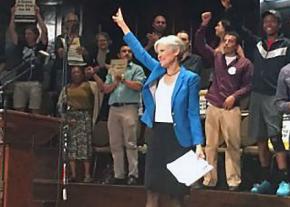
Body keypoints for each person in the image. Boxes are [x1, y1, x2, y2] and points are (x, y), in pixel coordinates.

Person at [113, 8, 204, 207]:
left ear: (176, 52)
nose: (159, 55)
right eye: (158, 52)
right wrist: (122, 25)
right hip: (157, 134)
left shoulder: (190, 79)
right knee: (152, 189)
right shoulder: (157, 71)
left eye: (163, 51)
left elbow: (193, 113)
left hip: (179, 138)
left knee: (175, 194)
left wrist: (198, 144)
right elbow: (138, 51)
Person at [222, 0, 290, 195]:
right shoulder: (258, 43)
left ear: (279, 24)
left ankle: (284, 180)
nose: (268, 24)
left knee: (275, 138)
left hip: (275, 97)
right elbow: (238, 29)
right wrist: (229, 9)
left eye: (272, 21)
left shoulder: (286, 45)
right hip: (257, 95)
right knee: (260, 138)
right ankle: (266, 180)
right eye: (265, 21)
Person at [195, 11, 253, 191]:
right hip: (213, 106)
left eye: (230, 42)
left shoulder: (245, 64)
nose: (226, 43)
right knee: (210, 145)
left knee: (233, 145)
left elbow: (249, 86)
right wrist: (203, 25)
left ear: (237, 46)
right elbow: (199, 44)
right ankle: (209, 180)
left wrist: (234, 96)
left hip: (231, 108)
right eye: (225, 41)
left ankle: (233, 181)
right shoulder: (216, 56)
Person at [102, 45, 145, 185]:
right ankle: (118, 174)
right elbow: (105, 89)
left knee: (131, 143)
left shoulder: (137, 69)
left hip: (129, 107)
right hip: (114, 108)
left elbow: (139, 86)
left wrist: (124, 80)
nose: (127, 53)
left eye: (129, 51)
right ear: (119, 54)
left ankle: (133, 174)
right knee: (115, 144)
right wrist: (115, 81)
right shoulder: (112, 69)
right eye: (124, 51)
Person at [57, 65, 103, 183]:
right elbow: (61, 104)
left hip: (84, 117)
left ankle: (87, 175)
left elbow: (101, 88)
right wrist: (65, 117)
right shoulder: (67, 88)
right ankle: (73, 174)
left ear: (82, 74)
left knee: (84, 146)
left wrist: (93, 74)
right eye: (73, 72)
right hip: (70, 118)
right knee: (71, 146)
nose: (76, 74)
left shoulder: (89, 85)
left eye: (78, 72)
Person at [8, 5, 48, 114]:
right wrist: (12, 15)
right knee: (19, 111)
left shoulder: (40, 46)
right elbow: (12, 31)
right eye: (26, 33)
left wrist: (37, 15)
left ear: (35, 35)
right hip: (20, 81)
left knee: (35, 111)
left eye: (29, 33)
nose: (27, 36)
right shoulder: (21, 45)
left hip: (35, 82)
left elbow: (44, 31)